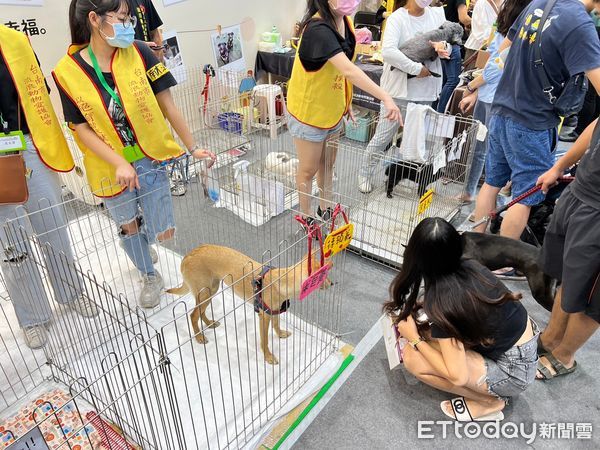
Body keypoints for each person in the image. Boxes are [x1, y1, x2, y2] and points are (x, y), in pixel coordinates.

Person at [54, 0, 215, 308]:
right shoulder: (67, 72)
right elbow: (80, 128)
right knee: (128, 223)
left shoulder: (140, 52)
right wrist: (117, 162)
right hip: (109, 166)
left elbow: (168, 103)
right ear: (94, 19)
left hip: (149, 155)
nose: (129, 27)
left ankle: (144, 242)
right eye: (121, 19)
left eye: (129, 19)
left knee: (160, 227)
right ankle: (149, 274)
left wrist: (192, 147)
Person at [0, 24, 97, 349]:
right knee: (11, 247)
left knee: (53, 227)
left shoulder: (14, 39)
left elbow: (36, 92)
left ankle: (71, 292)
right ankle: (33, 317)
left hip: (31, 144)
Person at [384, 217, 538, 421]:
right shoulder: (470, 265)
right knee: (428, 335)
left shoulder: (443, 303)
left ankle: (491, 402)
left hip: (514, 371)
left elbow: (457, 376)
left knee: (413, 359)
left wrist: (414, 338)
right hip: (518, 348)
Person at [472, 0, 600, 242]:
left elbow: (501, 55)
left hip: (501, 108)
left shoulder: (539, 2)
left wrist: (476, 86)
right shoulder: (580, 25)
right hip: (532, 121)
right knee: (524, 197)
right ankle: (502, 263)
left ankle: (476, 248)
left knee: (491, 183)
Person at [287, 0, 401, 227]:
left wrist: (345, 100)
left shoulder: (345, 22)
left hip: (331, 110)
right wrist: (386, 97)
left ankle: (325, 206)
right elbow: (349, 70)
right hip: (309, 113)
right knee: (308, 169)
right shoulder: (318, 29)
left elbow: (340, 68)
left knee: (328, 164)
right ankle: (306, 214)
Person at [357, 0, 450, 193]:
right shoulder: (397, 19)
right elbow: (389, 52)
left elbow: (449, 42)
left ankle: (405, 174)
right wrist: (416, 69)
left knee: (417, 138)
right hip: (398, 91)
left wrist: (444, 48)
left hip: (426, 90)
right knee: (384, 136)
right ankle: (364, 173)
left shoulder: (437, 15)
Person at [535, 118, 600, 380]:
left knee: (592, 297)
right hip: (582, 191)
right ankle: (550, 339)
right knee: (569, 278)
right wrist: (560, 166)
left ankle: (565, 355)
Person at [457, 0, 531, 203]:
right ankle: (470, 192)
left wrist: (472, 87)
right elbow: (490, 63)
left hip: (499, 101)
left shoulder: (516, 37)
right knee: (480, 147)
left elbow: (494, 68)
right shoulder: (502, 32)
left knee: (493, 153)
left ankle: (491, 204)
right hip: (488, 96)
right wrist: (477, 92)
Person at [437, 0, 471, 112]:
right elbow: (463, 18)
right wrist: (478, 23)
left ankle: (435, 110)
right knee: (453, 80)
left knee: (443, 81)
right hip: (452, 41)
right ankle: (440, 112)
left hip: (440, 41)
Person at [463, 0, 503, 66]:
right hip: (478, 50)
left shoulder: (507, 3)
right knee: (475, 74)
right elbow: (485, 33)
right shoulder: (482, 3)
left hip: (496, 50)